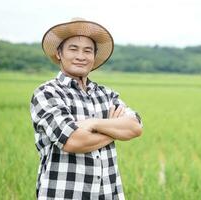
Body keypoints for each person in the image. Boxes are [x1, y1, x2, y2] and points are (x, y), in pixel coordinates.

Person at [30, 18, 143, 200]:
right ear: (59, 53)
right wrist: (114, 128)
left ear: (93, 57)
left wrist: (93, 123)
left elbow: (135, 127)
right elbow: (73, 141)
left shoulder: (107, 94)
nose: (81, 56)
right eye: (73, 49)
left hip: (108, 194)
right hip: (64, 195)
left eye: (87, 51)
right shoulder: (48, 93)